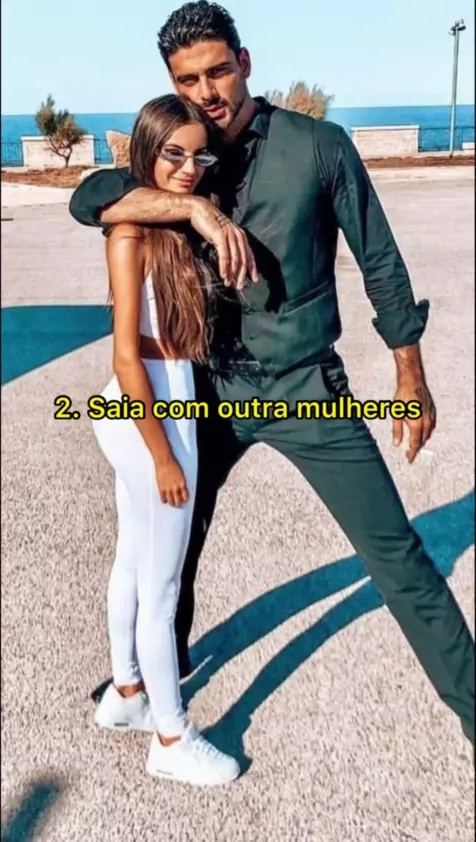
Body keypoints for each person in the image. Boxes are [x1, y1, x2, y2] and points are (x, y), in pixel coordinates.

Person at [70, 1, 475, 752]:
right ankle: (160, 674)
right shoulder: (180, 159)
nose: (207, 92)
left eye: (218, 71)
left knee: (397, 557)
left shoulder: (319, 147)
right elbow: (89, 197)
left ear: (245, 63)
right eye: (188, 80)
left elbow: (381, 262)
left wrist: (410, 375)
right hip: (209, 389)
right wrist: (198, 212)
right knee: (175, 539)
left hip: (306, 388)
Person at [88, 92, 241, 786]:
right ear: (147, 151)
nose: (186, 168)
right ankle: (171, 739)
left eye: (197, 156)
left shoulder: (168, 225)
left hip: (150, 401)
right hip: (149, 407)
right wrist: (162, 456)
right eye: (172, 153)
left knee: (133, 558)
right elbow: (127, 357)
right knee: (163, 584)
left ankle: (127, 694)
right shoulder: (129, 231)